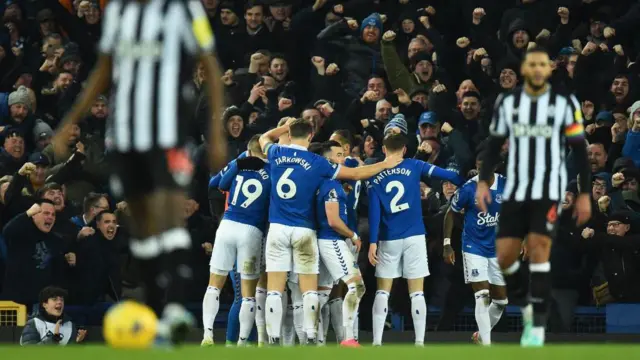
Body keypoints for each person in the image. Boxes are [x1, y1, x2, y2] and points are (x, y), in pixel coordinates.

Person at [50, 0, 227, 344]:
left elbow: (210, 63)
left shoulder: (185, 9)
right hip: (124, 135)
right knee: (144, 226)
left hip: (169, 132)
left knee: (168, 211)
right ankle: (159, 311)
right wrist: (71, 118)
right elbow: (104, 67)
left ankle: (173, 311)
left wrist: (216, 130)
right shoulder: (117, 11)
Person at [476, 46, 592, 347]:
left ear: (549, 69)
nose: (538, 69)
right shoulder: (508, 102)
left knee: (539, 249)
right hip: (516, 190)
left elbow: (580, 150)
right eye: (532, 64)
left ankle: (537, 324)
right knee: (504, 258)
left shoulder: (565, 103)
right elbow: (493, 144)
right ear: (525, 70)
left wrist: (584, 194)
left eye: (543, 64)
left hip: (548, 189)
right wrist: (483, 181)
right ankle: (528, 308)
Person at [258, 118, 402, 345]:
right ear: (311, 136)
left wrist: (284, 128)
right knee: (309, 291)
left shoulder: (276, 152)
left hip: (277, 228)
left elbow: (263, 138)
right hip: (304, 230)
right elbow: (355, 174)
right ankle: (312, 336)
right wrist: (385, 164)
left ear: (291, 133)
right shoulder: (317, 162)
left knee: (275, 290)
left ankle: (273, 338)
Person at [367, 133, 463, 346]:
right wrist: (464, 183)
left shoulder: (375, 174)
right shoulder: (415, 165)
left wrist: (373, 241)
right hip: (415, 236)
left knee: (383, 289)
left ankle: (376, 341)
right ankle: (419, 342)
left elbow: (374, 212)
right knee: (417, 291)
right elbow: (448, 175)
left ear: (384, 150)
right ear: (403, 149)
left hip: (388, 237)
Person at [202, 135, 269, 346]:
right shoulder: (273, 170)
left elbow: (220, 184)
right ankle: (241, 343)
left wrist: (236, 165)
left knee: (214, 285)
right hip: (251, 231)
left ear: (248, 151)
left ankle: (208, 335)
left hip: (227, 226)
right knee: (248, 295)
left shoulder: (238, 165)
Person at [443, 171, 508, 346]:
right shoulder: (469, 188)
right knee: (482, 295)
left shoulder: (506, 184)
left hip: (497, 248)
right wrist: (447, 243)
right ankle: (486, 346)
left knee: (501, 301)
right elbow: (450, 212)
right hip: (473, 246)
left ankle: (480, 337)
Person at [313, 140, 365, 347]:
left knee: (321, 294)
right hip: (332, 240)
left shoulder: (324, 183)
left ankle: (313, 340)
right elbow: (334, 221)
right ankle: (349, 338)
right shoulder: (331, 186)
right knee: (357, 287)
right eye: (338, 155)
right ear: (328, 159)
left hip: (323, 240)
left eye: (344, 154)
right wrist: (353, 235)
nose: (343, 159)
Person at [20, 286, 87, 346]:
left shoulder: (70, 325)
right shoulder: (34, 323)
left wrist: (77, 343)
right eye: (55, 299)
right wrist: (52, 340)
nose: (59, 302)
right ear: (44, 305)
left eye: (61, 299)